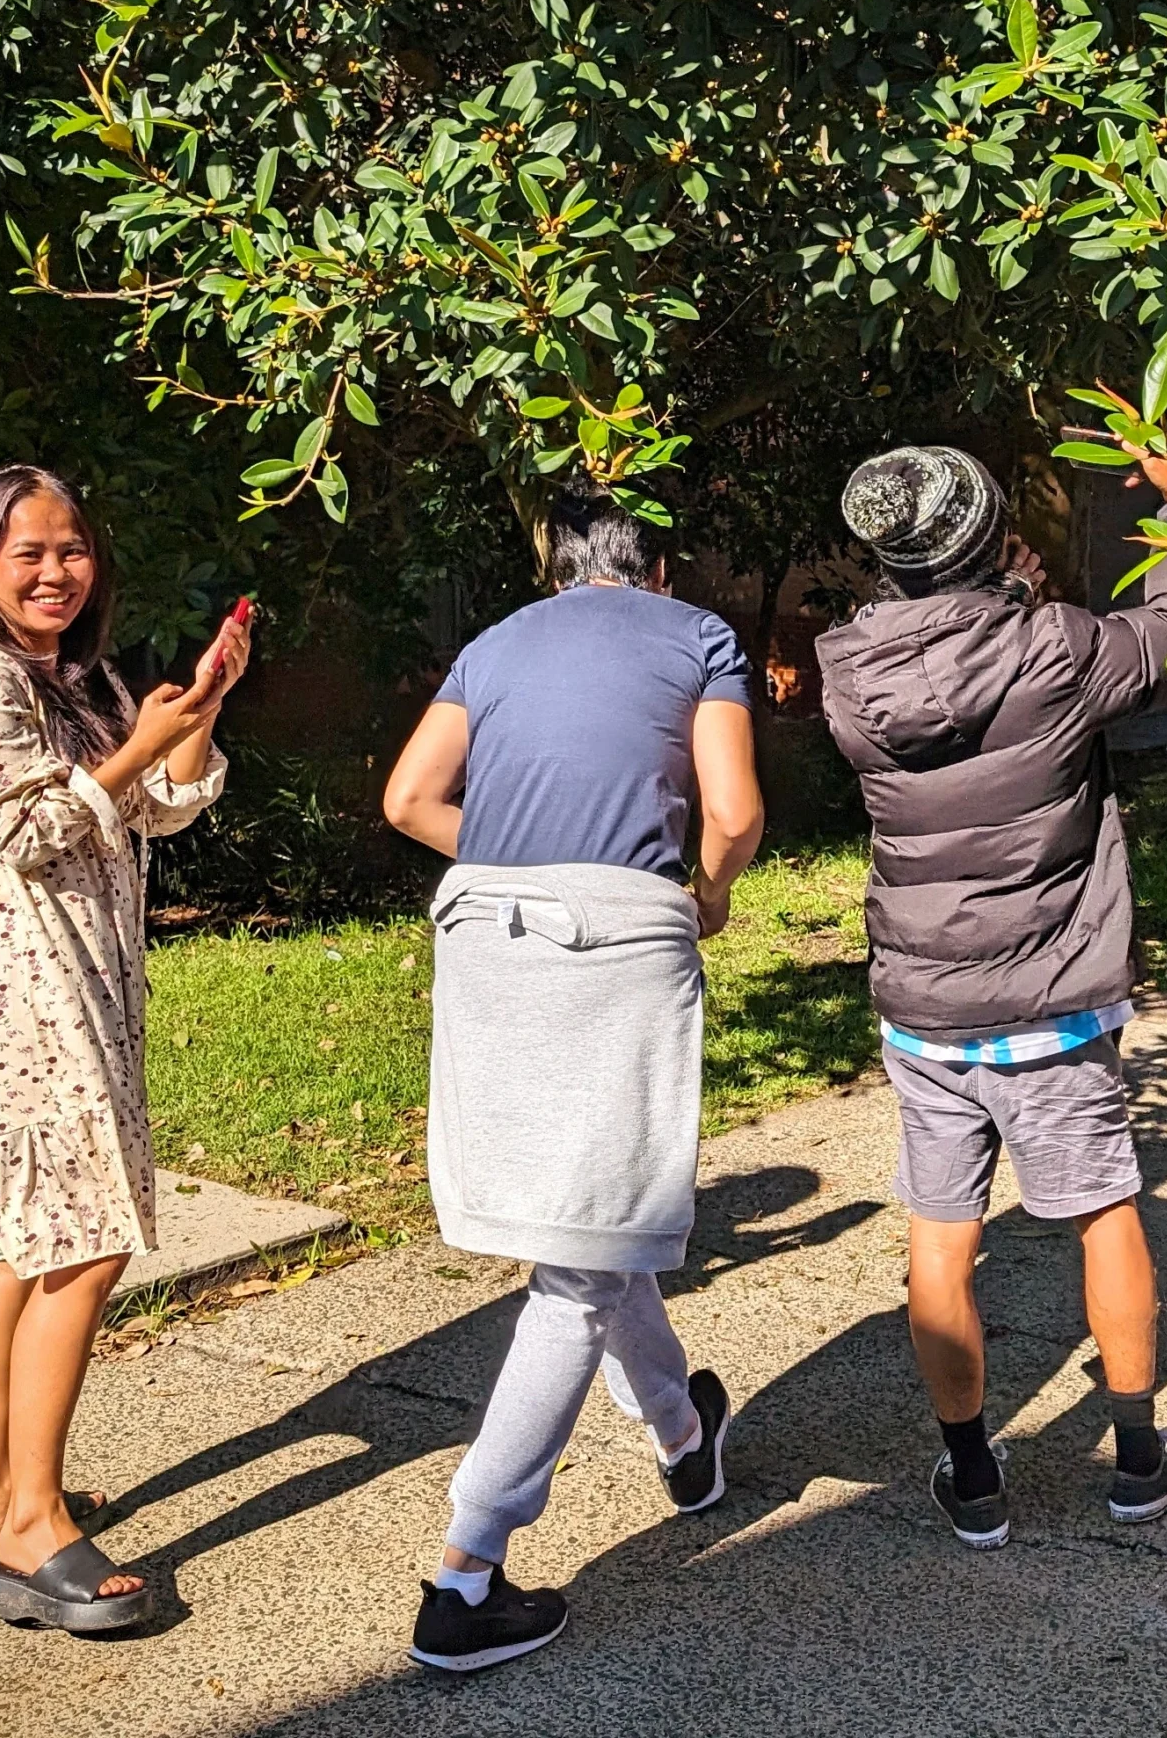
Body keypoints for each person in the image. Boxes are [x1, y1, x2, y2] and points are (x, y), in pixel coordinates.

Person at [816, 443, 1167, 1552]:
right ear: (992, 532)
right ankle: (1140, 1460)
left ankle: (972, 1478)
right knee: (1104, 1214)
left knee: (941, 1236)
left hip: (923, 1003)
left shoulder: (848, 673)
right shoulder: (1051, 648)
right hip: (1049, 1001)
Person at [382, 490, 764, 1670]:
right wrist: (707, 892)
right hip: (617, 937)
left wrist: (513, 855)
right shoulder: (697, 634)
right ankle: (467, 1570)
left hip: (481, 931)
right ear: (654, 570)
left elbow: (407, 800)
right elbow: (736, 810)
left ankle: (679, 1430)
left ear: (556, 570)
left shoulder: (493, 643)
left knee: (588, 1228)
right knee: (589, 1255)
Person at [0, 465, 246, 1634]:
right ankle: (31, 1529)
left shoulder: (66, 679)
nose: (58, 571)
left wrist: (192, 718)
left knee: (16, 1248)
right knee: (82, 1245)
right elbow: (26, 830)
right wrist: (133, 750)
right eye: (29, 555)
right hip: (26, 1006)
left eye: (72, 551)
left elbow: (147, 813)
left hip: (69, 993)